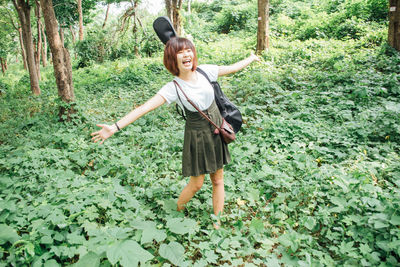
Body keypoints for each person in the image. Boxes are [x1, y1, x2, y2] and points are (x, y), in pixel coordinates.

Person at [91, 37, 260, 228]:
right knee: (196, 184)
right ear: (173, 59)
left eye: (189, 50)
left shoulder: (206, 71)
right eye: (180, 52)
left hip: (216, 129)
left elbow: (232, 68)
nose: (187, 54)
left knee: (218, 180)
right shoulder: (173, 88)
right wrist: (114, 127)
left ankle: (217, 222)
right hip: (197, 134)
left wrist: (251, 58)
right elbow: (144, 108)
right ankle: (177, 210)